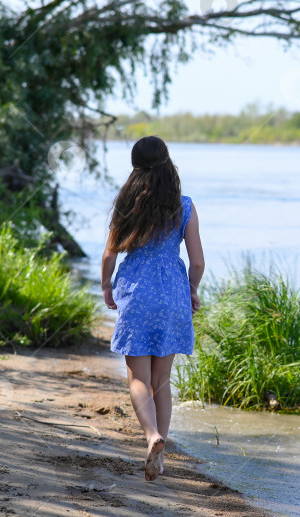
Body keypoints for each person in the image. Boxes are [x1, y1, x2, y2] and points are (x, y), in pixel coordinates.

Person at [100, 135, 205, 482]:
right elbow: (198, 262)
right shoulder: (184, 205)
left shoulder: (126, 204)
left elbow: (110, 255)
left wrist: (105, 285)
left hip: (137, 293)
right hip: (173, 293)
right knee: (162, 380)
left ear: (135, 167)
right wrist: (190, 291)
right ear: (168, 164)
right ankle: (160, 453)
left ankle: (151, 436)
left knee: (137, 377)